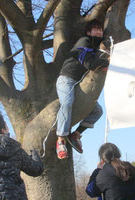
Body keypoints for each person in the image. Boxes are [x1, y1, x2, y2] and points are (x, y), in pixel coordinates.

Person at [56, 19, 110, 159]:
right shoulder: (84, 42)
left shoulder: (96, 47)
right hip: (66, 80)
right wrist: (108, 61)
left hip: (79, 84)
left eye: (100, 30)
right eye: (95, 29)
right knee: (67, 103)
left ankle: (76, 135)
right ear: (88, 32)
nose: (99, 32)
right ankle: (61, 139)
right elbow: (89, 63)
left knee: (98, 111)